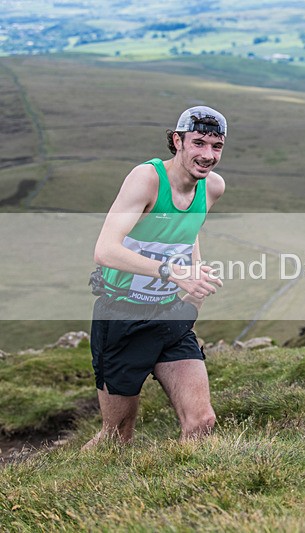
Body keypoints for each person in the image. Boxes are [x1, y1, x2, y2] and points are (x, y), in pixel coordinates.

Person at [83, 106, 227, 449]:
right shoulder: (147, 179)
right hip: (122, 316)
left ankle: (185, 495)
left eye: (216, 146)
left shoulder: (213, 187)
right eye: (198, 143)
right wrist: (171, 271)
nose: (207, 155)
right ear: (177, 141)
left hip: (169, 315)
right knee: (117, 438)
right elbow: (104, 250)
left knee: (202, 421)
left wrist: (195, 276)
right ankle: (75, 483)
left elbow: (189, 232)